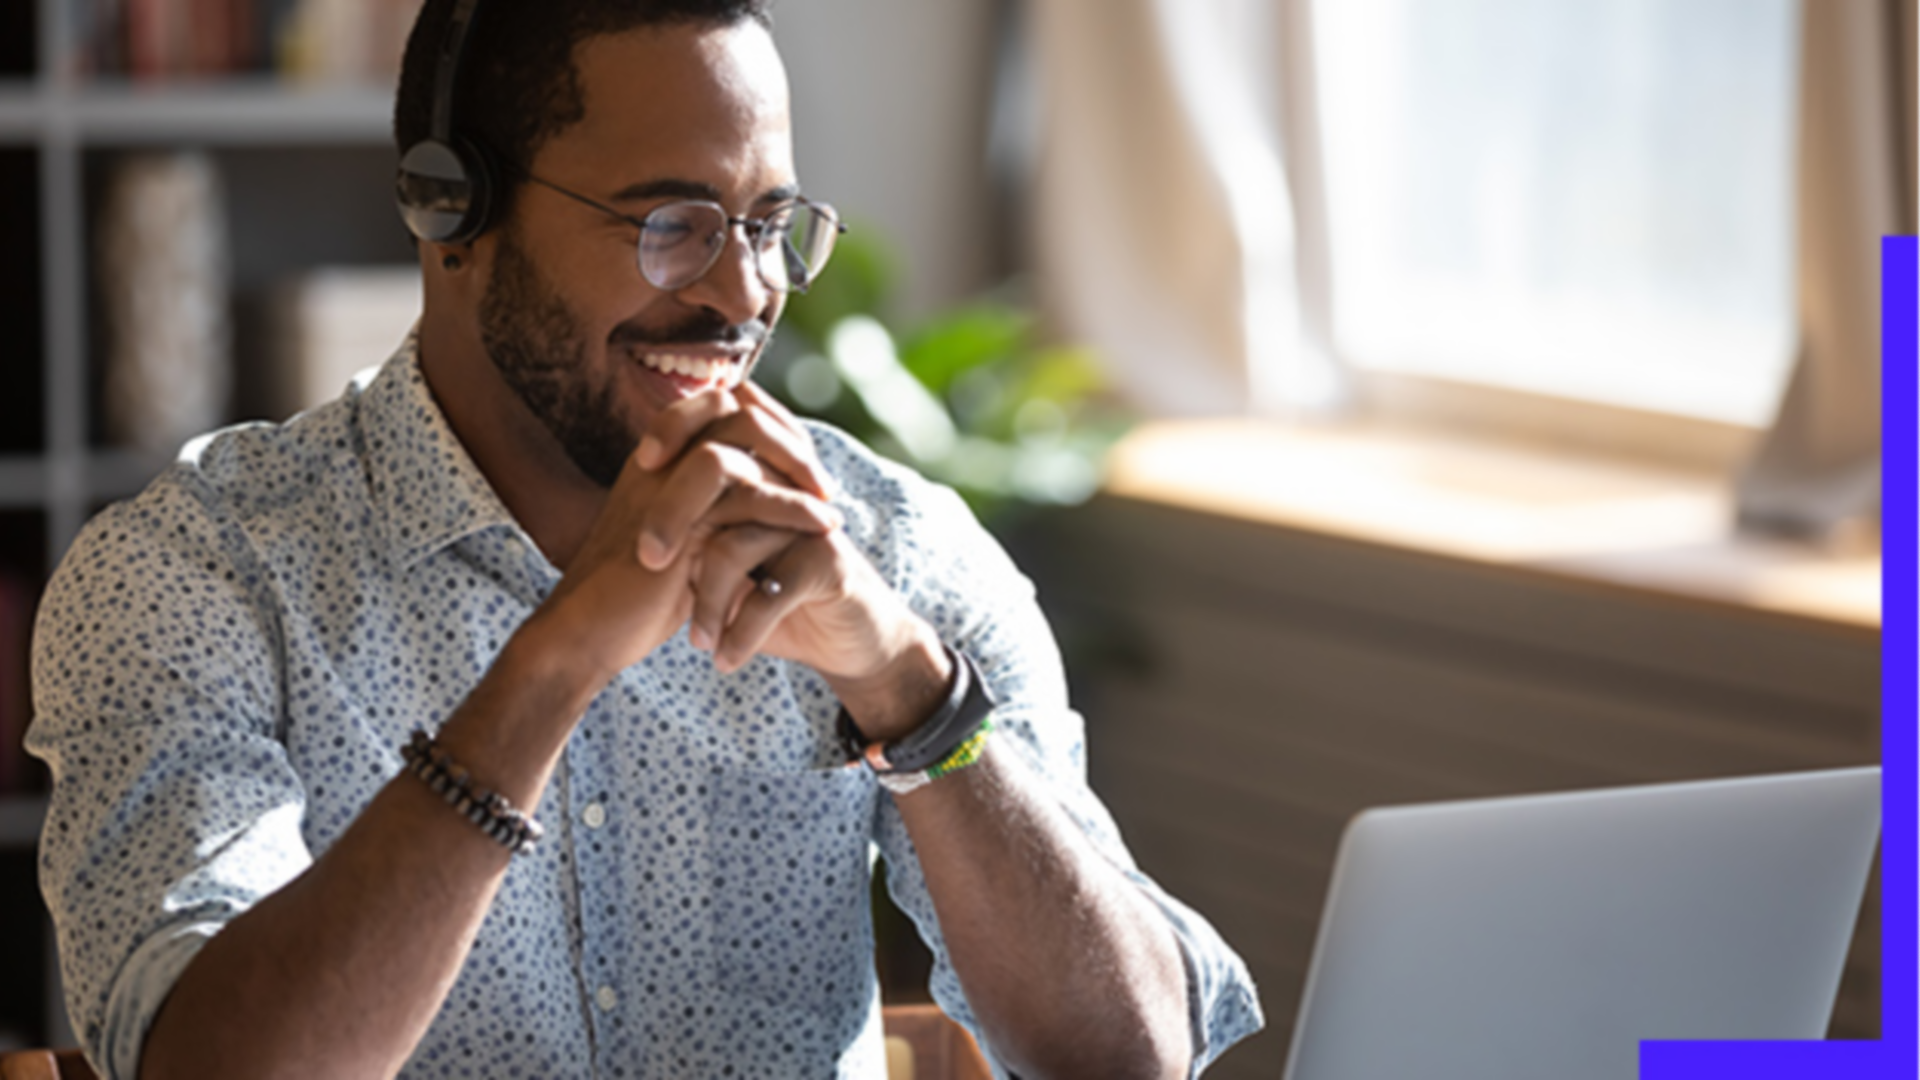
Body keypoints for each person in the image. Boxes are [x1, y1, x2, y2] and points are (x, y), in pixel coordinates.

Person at [28, 1, 1263, 1077]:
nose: (743, 295)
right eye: (672, 221)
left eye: (771, 223)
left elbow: (1131, 1057)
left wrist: (906, 687)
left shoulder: (890, 547)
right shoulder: (193, 577)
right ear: (449, 208)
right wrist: (552, 666)